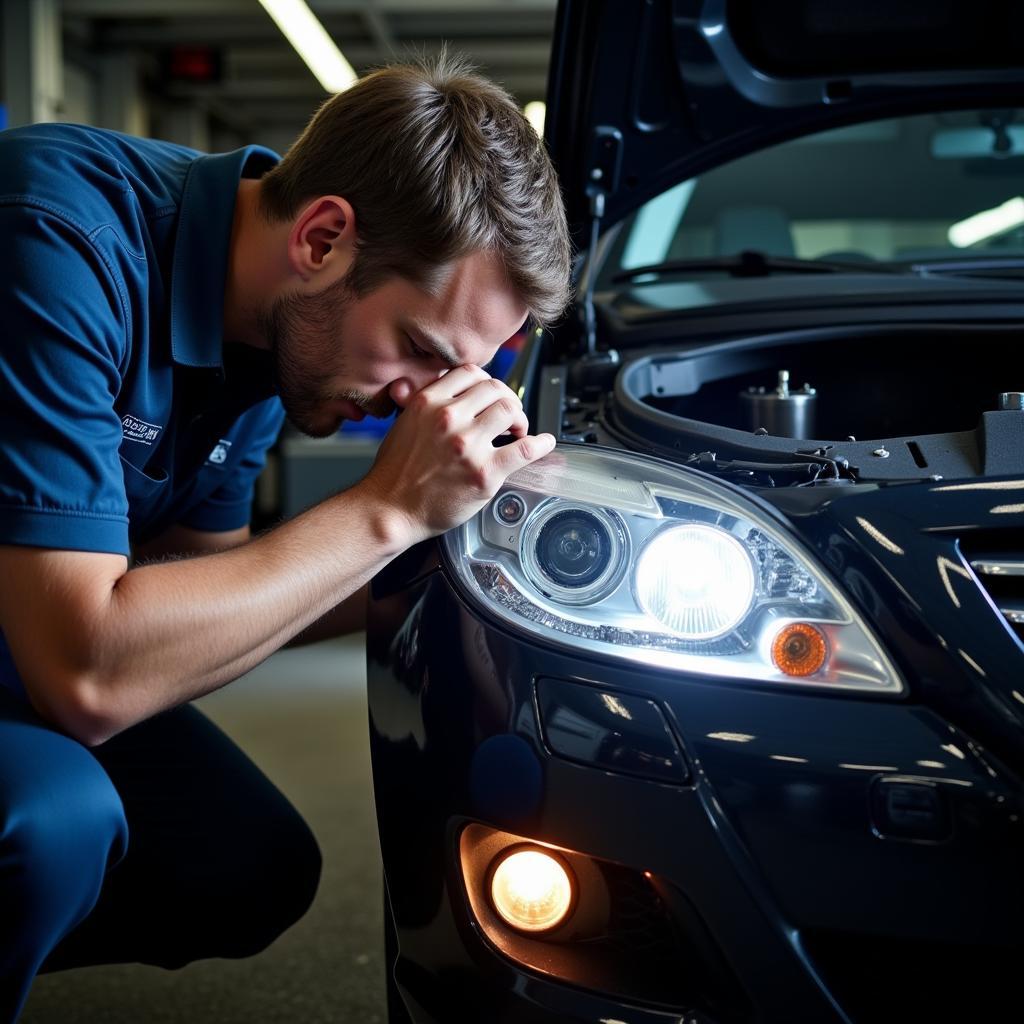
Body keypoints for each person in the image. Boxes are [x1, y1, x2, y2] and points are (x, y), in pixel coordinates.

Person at [0, 56, 571, 1021]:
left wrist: (446, 546)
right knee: (57, 820)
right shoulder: (55, 239)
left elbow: (209, 586)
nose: (415, 402)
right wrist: (384, 510)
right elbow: (91, 674)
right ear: (323, 238)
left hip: (28, 619)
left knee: (248, 865)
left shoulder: (281, 329)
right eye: (425, 353)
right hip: (49, 641)